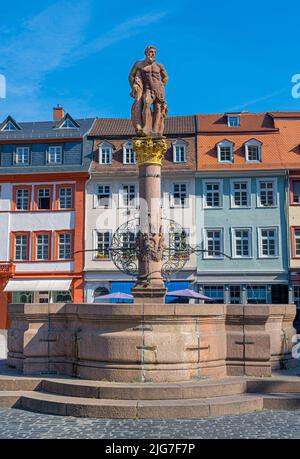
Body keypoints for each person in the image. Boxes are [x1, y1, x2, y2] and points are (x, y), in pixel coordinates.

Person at [129, 46, 169, 136]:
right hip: (147, 89)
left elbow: (166, 77)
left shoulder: (159, 66)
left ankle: (156, 129)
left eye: (154, 52)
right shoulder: (139, 64)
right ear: (146, 53)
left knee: (158, 109)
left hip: (158, 90)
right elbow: (131, 76)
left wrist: (162, 85)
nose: (153, 54)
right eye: (151, 52)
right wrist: (134, 87)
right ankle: (147, 127)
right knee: (146, 104)